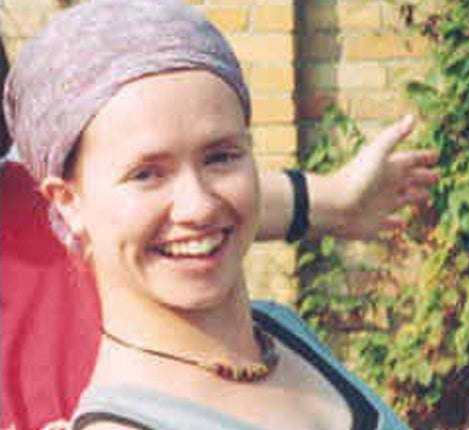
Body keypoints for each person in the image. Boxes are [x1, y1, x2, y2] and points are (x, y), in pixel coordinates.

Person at [3, 1, 439, 428]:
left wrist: (336, 200)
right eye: (145, 174)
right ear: (67, 202)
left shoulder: (280, 331)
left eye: (221, 157)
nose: (198, 206)